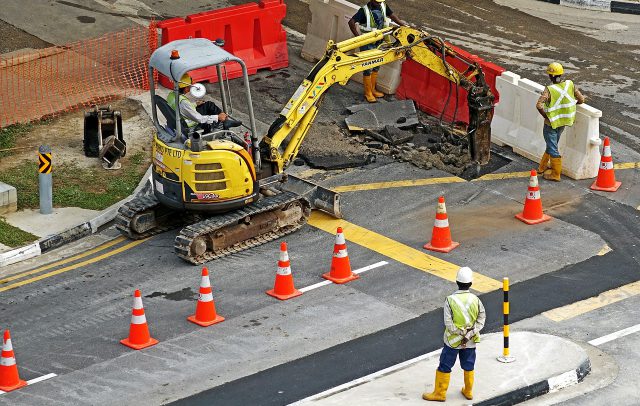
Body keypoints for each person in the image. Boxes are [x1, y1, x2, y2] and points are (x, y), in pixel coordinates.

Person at [423, 266, 486, 402]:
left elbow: (449, 323)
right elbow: (481, 320)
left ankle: (440, 393)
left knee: (445, 365)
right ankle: (468, 391)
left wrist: (460, 333)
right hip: (470, 341)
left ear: (457, 282)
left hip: (453, 341)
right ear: (471, 283)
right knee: (469, 365)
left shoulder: (450, 300)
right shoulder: (476, 300)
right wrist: (469, 334)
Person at [536, 62, 585, 181]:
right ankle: (542, 167)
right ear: (561, 74)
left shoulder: (549, 90)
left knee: (553, 147)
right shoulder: (570, 84)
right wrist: (572, 105)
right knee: (552, 144)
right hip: (563, 121)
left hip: (551, 123)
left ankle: (556, 174)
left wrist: (546, 117)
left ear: (550, 76)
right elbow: (581, 100)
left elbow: (539, 105)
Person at [348, 0, 405, 103]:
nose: (379, 4)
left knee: (376, 66)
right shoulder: (363, 11)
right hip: (367, 43)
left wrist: (403, 25)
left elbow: (392, 16)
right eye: (377, 2)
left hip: (379, 41)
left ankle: (373, 90)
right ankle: (368, 92)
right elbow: (351, 22)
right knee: (368, 67)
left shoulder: (383, 6)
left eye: (380, 2)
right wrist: (358, 38)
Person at [166, 73, 240, 135]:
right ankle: (224, 121)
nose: (190, 88)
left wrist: (195, 104)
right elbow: (199, 119)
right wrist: (217, 117)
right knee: (210, 109)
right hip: (190, 123)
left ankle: (225, 121)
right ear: (185, 88)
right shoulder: (183, 102)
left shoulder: (171, 95)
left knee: (208, 104)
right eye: (189, 86)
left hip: (181, 118)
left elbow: (183, 109)